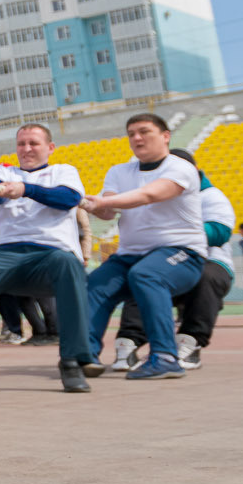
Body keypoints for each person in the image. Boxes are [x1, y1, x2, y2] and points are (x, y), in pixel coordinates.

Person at [0, 122, 92, 394]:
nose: (27, 149)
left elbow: (68, 198)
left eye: (34, 143)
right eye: (22, 144)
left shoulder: (63, 171)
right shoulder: (3, 172)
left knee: (70, 265)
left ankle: (72, 361)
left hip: (50, 255)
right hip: (5, 254)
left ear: (50, 147)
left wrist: (25, 189)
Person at [81, 115, 206, 380]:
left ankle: (165, 358)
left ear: (165, 136)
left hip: (181, 253)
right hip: (130, 255)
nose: (137, 138)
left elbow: (149, 195)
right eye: (131, 134)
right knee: (95, 284)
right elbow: (109, 210)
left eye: (144, 132)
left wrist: (102, 203)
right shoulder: (119, 171)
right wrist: (92, 206)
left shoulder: (181, 168)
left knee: (147, 275)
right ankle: (84, 356)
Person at [109, 154, 234, 371]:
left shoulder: (210, 196)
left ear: (193, 170)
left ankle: (189, 340)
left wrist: (174, 232)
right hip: (162, 260)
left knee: (206, 277)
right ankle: (128, 341)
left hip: (207, 260)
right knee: (141, 274)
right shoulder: (152, 196)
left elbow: (220, 232)